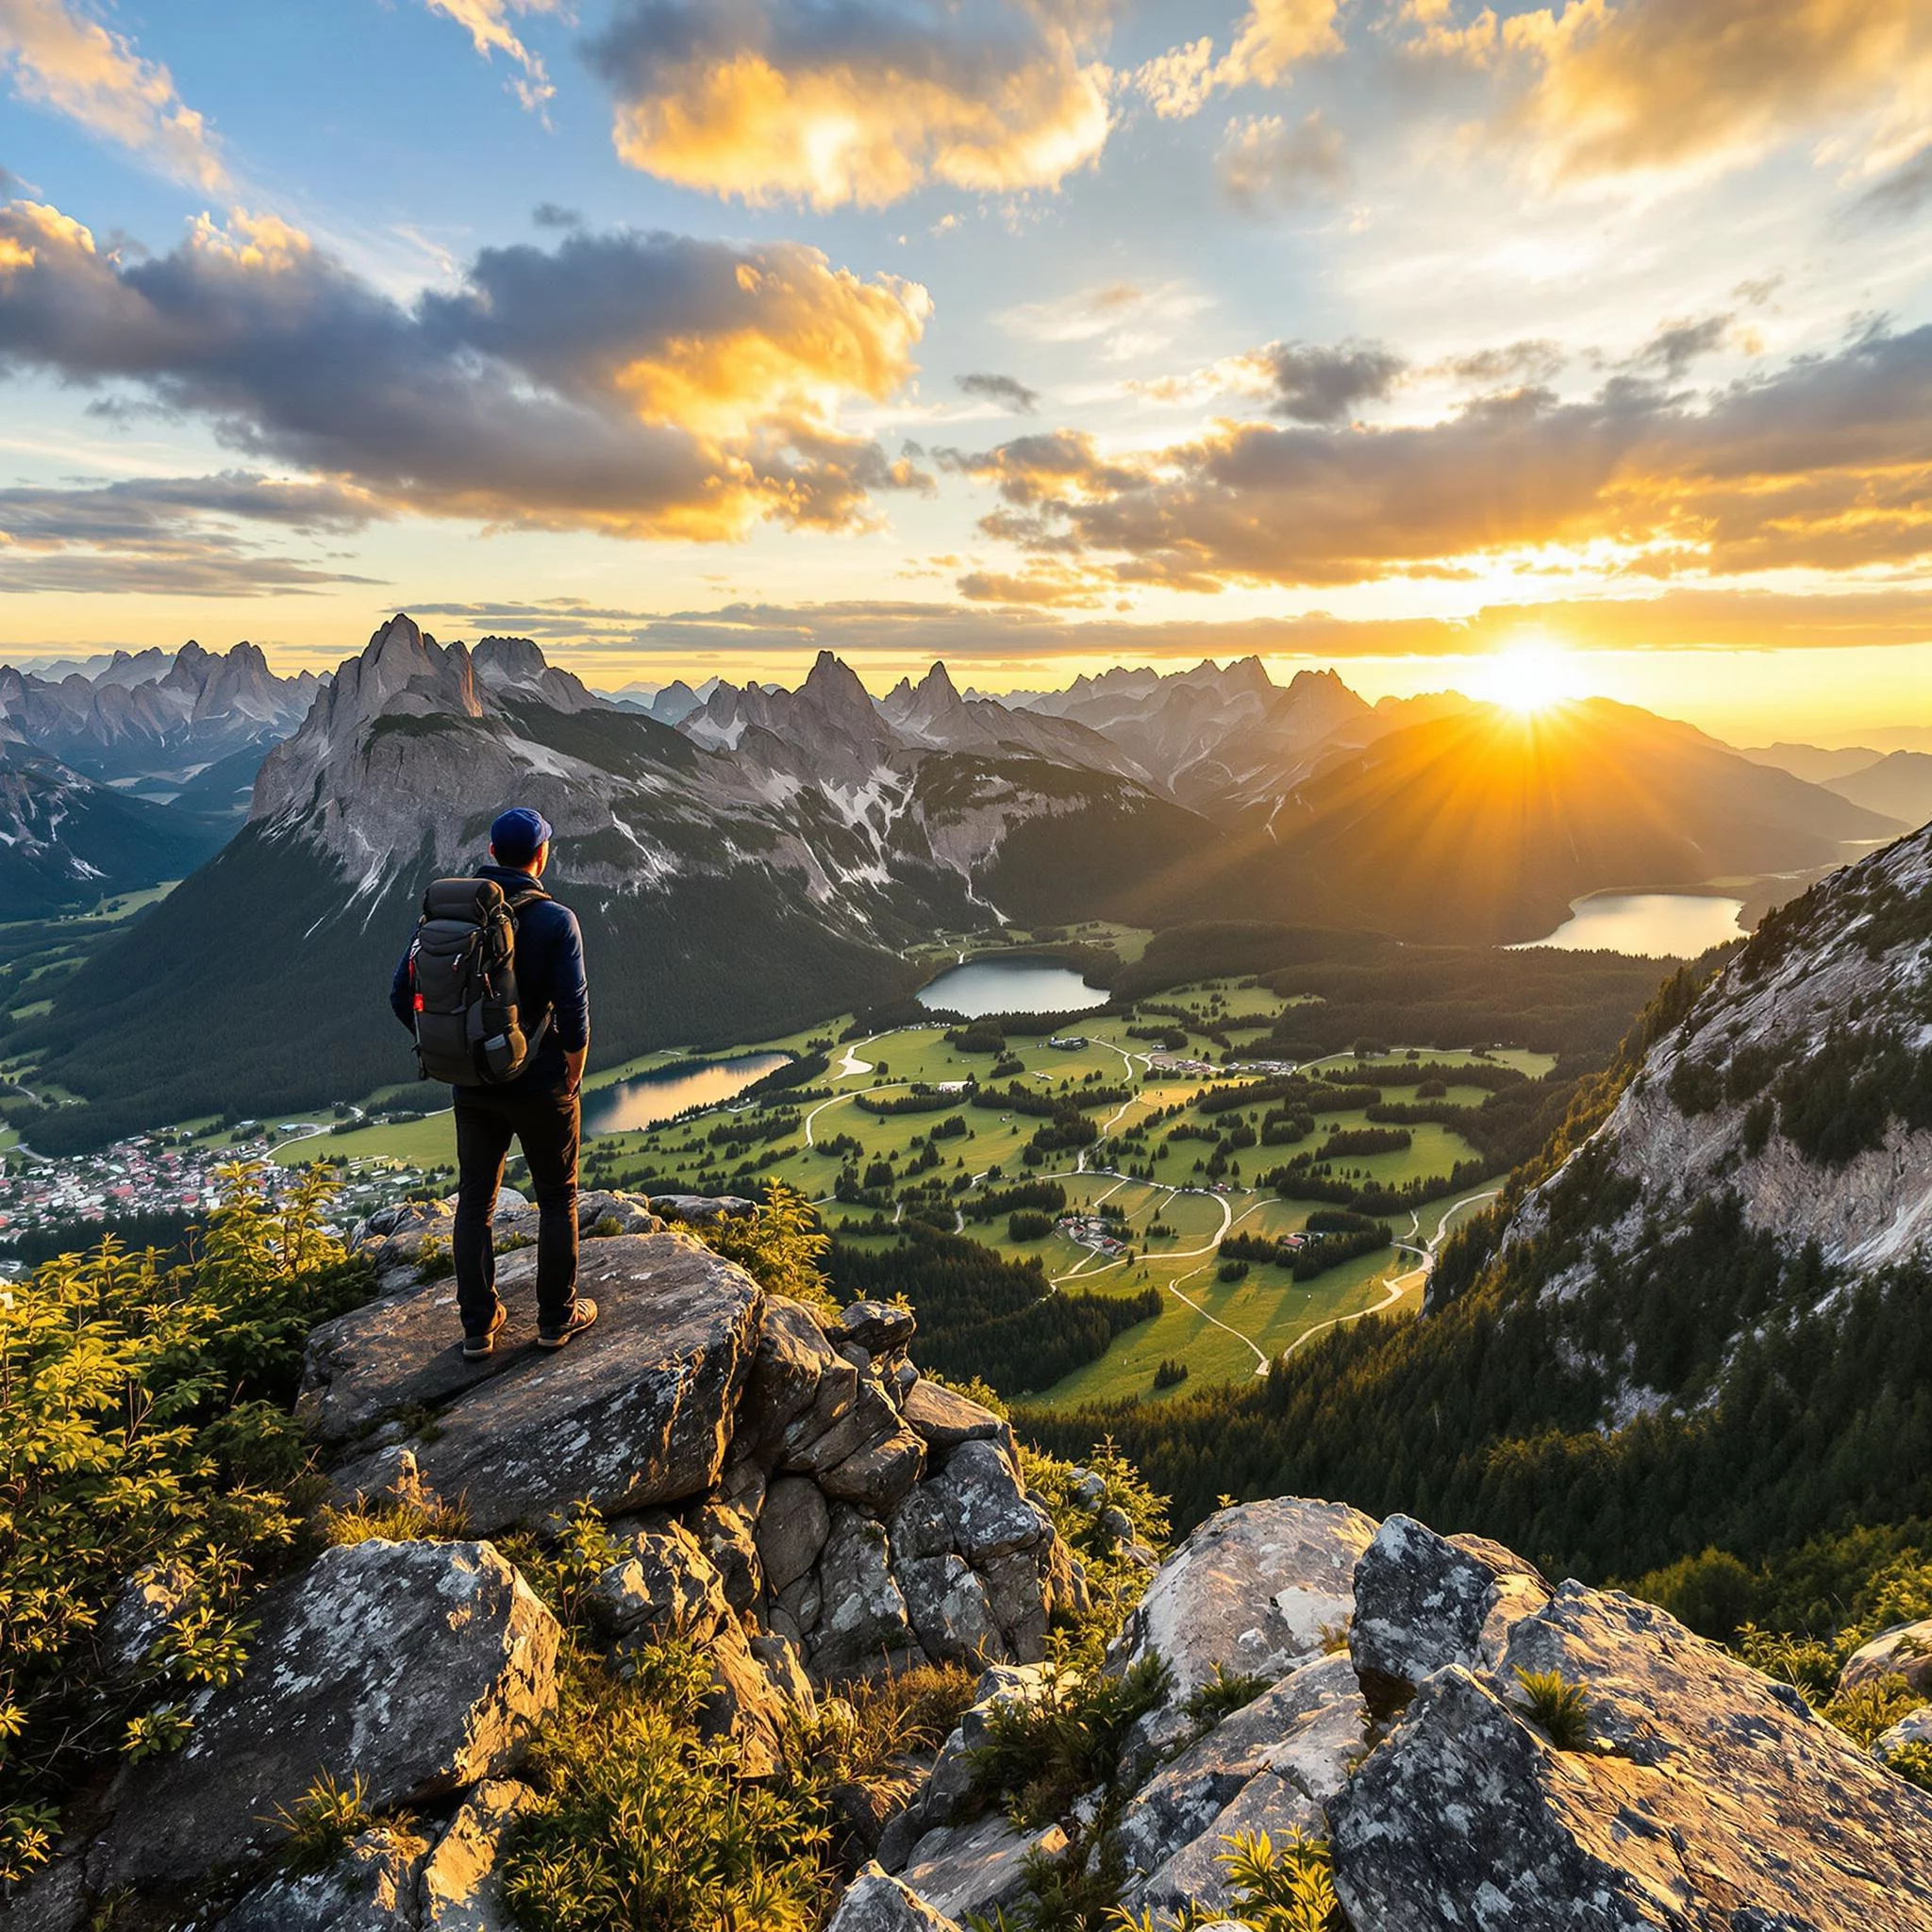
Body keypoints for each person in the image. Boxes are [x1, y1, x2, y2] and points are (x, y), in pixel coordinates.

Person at [390, 806, 596, 1358]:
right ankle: (556, 1318)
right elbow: (574, 1017)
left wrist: (456, 1047)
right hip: (541, 1083)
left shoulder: (447, 916)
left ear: (490, 854)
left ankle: (478, 1327)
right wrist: (570, 1073)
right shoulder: (556, 921)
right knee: (557, 1198)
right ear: (541, 854)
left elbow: (399, 995)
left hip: (473, 1083)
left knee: (475, 1202)